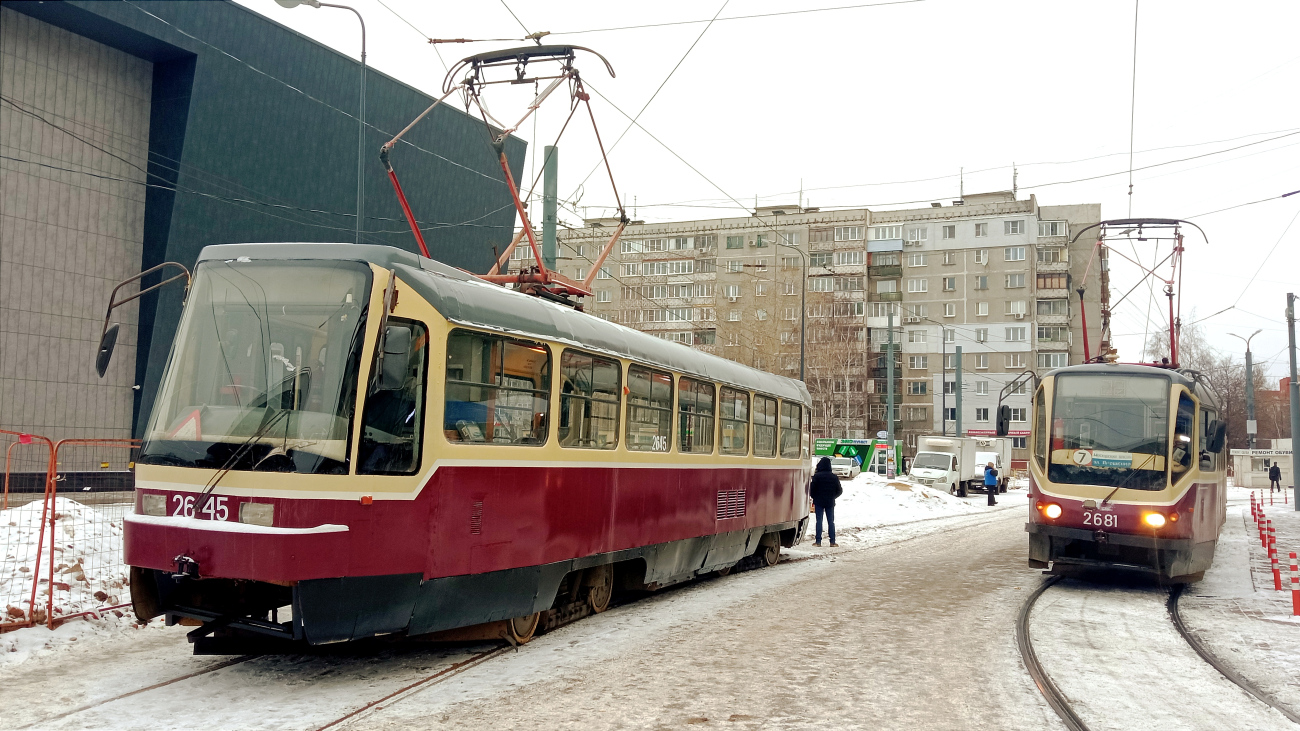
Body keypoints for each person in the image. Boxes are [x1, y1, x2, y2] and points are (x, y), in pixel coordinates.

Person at [809, 456, 843, 547]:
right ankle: (832, 541)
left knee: (819, 521)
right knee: (831, 522)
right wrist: (832, 497)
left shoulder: (817, 476)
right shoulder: (834, 477)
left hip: (819, 502)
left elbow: (811, 490)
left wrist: (815, 497)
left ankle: (818, 541)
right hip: (830, 502)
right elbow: (839, 490)